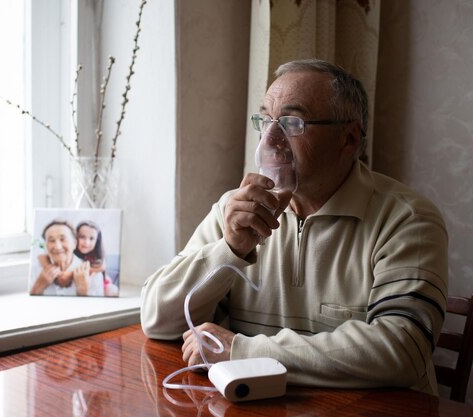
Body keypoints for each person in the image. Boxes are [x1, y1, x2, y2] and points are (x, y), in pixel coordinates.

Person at [140, 59, 448, 395]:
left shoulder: (407, 219)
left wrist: (243, 353)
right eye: (266, 120)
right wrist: (229, 249)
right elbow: (158, 320)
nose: (270, 138)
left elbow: (402, 349)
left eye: (292, 122)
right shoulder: (237, 210)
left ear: (348, 139)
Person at [30, 219, 105, 296]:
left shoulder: (93, 275)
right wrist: (37, 287)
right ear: (46, 245)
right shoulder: (35, 270)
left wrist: (82, 291)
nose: (58, 247)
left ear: (75, 243)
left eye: (63, 239)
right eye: (51, 240)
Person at [74, 220, 119, 297]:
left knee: (113, 290)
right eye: (82, 237)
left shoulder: (97, 255)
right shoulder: (72, 254)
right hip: (83, 285)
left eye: (91, 239)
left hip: (102, 284)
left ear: (97, 241)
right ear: (75, 237)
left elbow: (102, 266)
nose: (86, 242)